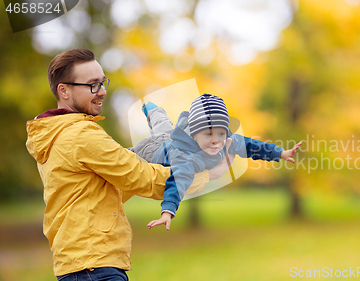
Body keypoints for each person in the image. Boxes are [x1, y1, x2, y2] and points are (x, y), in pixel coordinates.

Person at [25, 49, 227, 280]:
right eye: (92, 85)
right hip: (94, 267)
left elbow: (107, 190)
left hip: (84, 263)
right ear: (64, 90)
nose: (102, 92)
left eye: (103, 83)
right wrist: (207, 175)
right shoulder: (80, 135)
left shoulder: (56, 134)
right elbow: (141, 177)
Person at [134, 94, 302, 230]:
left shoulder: (226, 141)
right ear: (194, 134)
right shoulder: (186, 157)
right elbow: (178, 181)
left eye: (220, 134)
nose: (216, 141)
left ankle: (152, 108)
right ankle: (150, 107)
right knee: (154, 132)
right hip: (152, 151)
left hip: (170, 138)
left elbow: (252, 145)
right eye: (208, 135)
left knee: (163, 125)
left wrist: (280, 153)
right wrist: (167, 212)